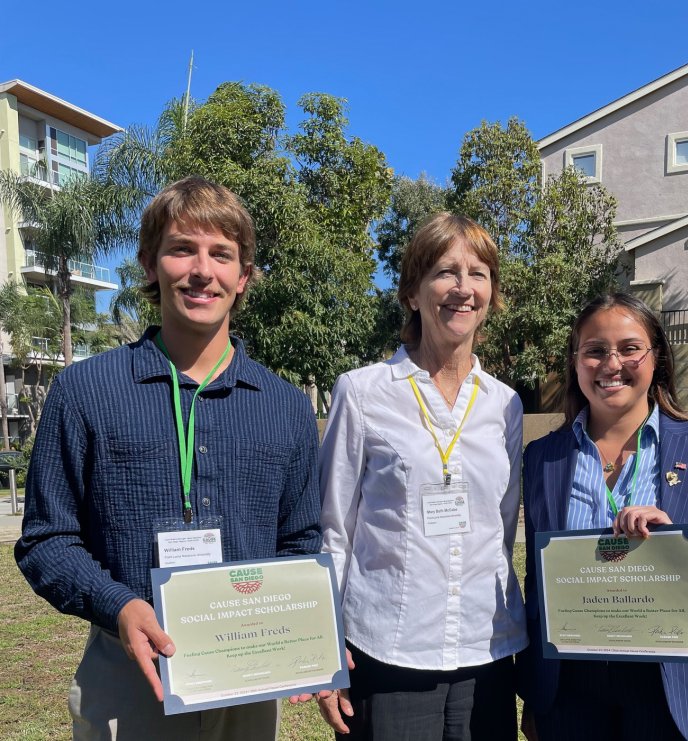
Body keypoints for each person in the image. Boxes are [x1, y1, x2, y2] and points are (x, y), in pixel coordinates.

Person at [15, 176, 321, 740]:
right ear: (152, 266)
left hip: (247, 678)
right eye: (182, 248)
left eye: (221, 255)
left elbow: (301, 542)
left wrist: (304, 635)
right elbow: (46, 539)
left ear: (243, 277)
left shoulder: (285, 407)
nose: (202, 270)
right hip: (128, 676)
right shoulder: (86, 391)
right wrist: (118, 605)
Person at [518, 292, 688, 741]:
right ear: (576, 363)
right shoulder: (542, 458)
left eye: (630, 348)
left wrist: (683, 549)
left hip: (673, 690)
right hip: (569, 692)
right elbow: (539, 584)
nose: (612, 364)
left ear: (657, 359)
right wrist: (535, 696)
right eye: (595, 350)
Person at [316, 213, 527, 740]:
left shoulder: (505, 404)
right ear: (412, 292)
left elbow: (500, 530)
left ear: (491, 293)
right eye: (444, 272)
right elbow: (334, 530)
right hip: (389, 650)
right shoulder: (362, 392)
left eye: (478, 273)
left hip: (489, 647)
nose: (463, 288)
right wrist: (326, 650)